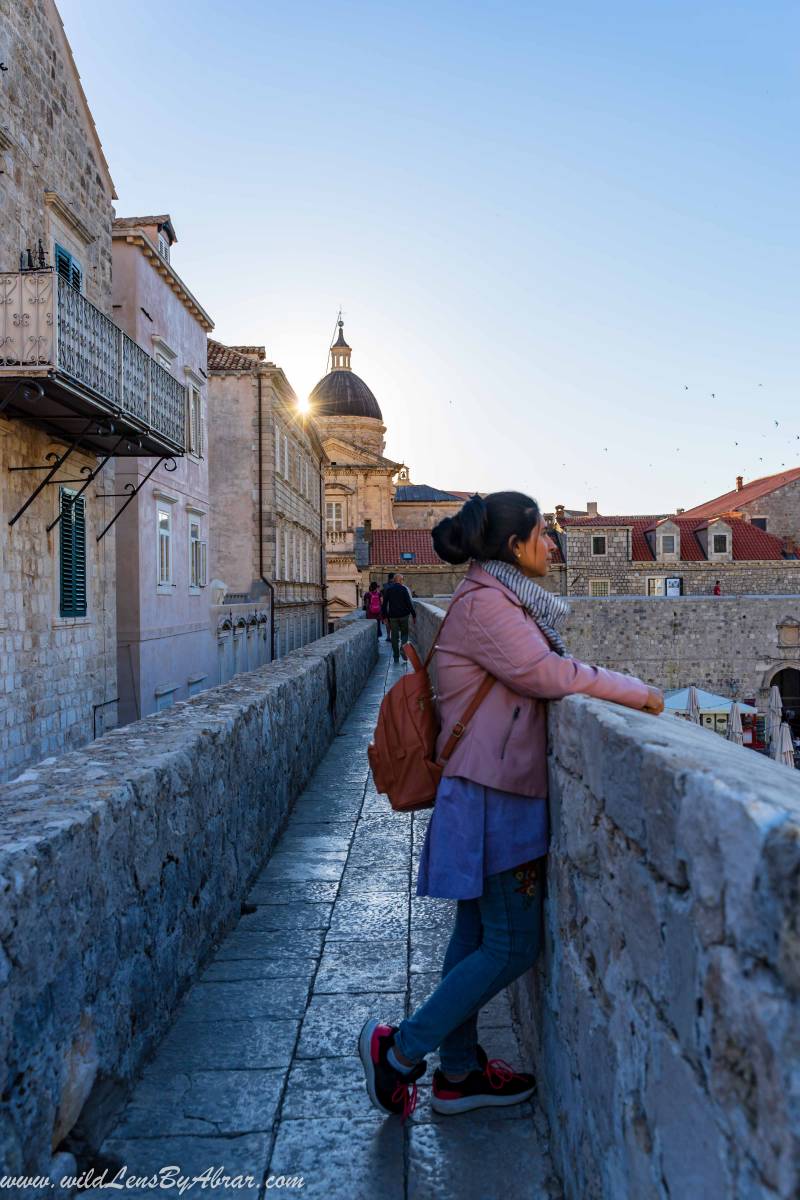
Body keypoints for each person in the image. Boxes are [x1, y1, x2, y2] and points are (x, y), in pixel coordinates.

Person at [359, 491, 664, 1120]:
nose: (552, 545)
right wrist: (640, 692)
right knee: (512, 944)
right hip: (494, 794)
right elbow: (552, 676)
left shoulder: (491, 597)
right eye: (542, 535)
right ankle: (400, 1053)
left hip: (486, 787)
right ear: (514, 546)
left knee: (475, 935)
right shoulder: (489, 607)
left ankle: (461, 1073)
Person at [381, 572, 416, 663]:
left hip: (393, 617)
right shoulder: (403, 589)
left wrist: (384, 616)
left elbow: (384, 604)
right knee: (404, 635)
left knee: (394, 637)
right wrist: (414, 614)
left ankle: (396, 656)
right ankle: (402, 649)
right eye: (402, 579)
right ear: (400, 580)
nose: (403, 581)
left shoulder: (389, 590)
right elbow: (408, 603)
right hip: (404, 616)